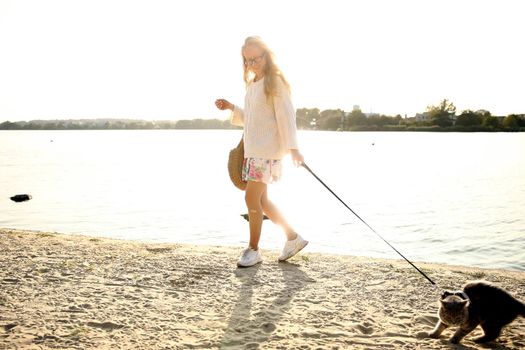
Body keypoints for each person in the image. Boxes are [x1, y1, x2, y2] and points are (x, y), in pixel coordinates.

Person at [215, 36, 308, 268]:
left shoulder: (275, 83)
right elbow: (253, 118)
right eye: (247, 61)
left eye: (256, 59)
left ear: (267, 56)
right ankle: (292, 238)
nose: (252, 64)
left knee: (251, 197)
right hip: (253, 150)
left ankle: (253, 249)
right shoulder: (253, 83)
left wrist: (294, 149)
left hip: (266, 151)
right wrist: (232, 108)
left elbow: (286, 117)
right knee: (262, 200)